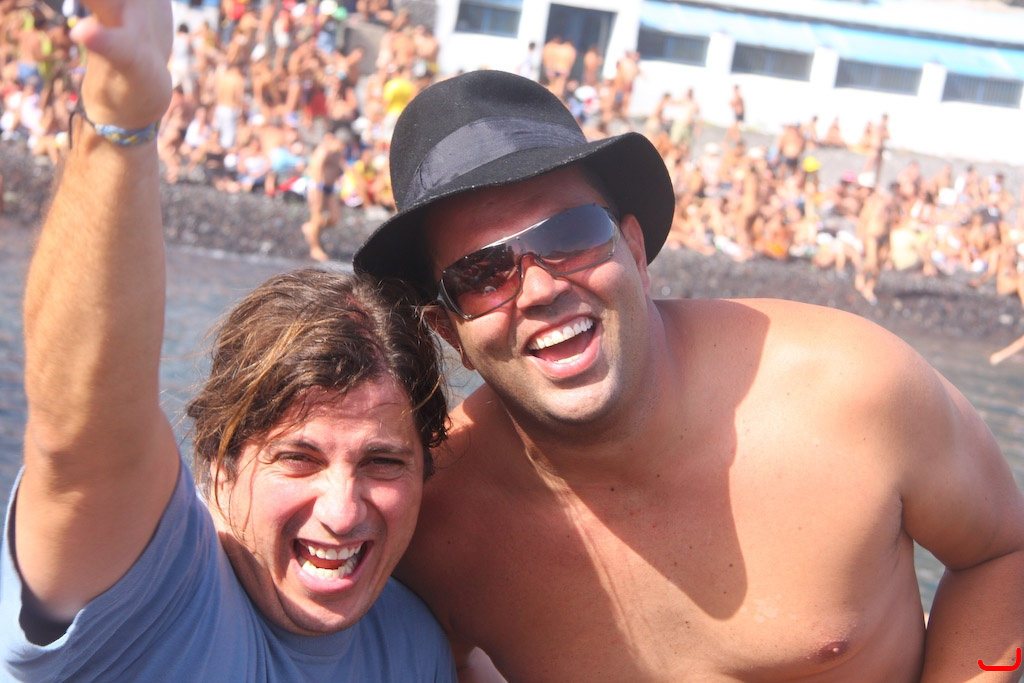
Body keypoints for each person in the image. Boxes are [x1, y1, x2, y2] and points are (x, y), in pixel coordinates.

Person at [353, 69, 1024, 680]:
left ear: (634, 249)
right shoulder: (436, 515)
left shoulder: (850, 389)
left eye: (568, 237)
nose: (540, 289)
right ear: (451, 334)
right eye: (482, 274)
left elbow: (1003, 552)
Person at [0, 1, 456, 679]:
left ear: (425, 473)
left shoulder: (414, 645)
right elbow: (82, 439)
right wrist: (121, 122)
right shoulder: (152, 593)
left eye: (384, 462)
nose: (342, 510)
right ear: (219, 463)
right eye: (298, 457)